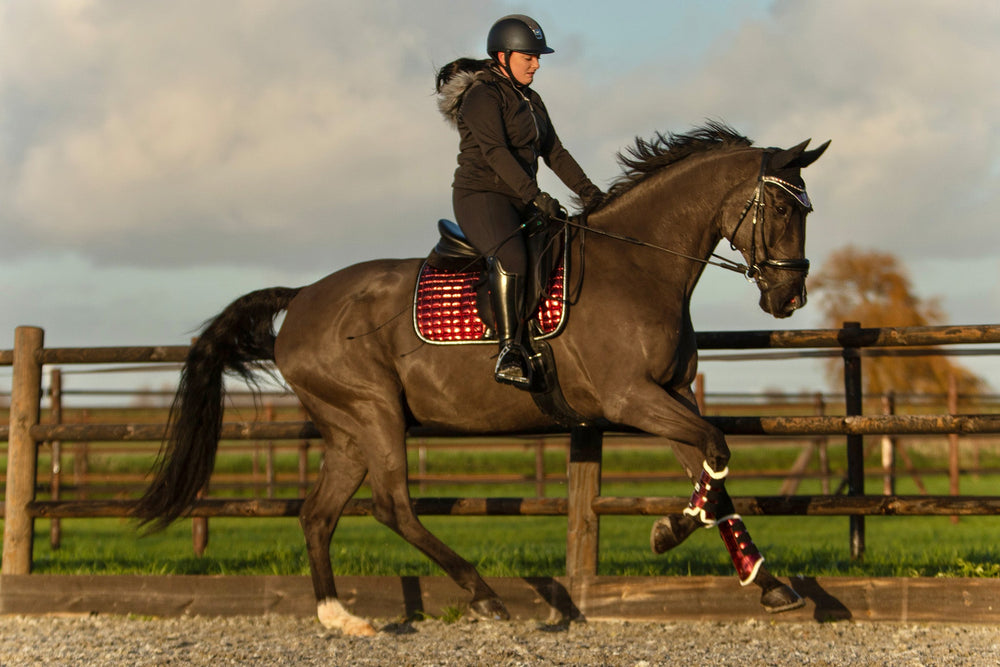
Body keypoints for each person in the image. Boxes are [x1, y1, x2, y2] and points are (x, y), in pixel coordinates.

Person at [436, 14, 603, 389]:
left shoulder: (531, 99)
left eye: (537, 57)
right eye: (529, 57)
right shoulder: (482, 96)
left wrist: (593, 195)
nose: (536, 64)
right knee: (512, 258)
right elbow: (496, 153)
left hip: (521, 197)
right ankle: (509, 351)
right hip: (482, 195)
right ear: (503, 56)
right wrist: (536, 196)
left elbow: (555, 152)